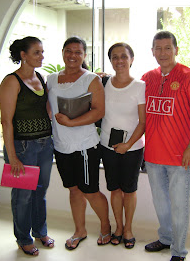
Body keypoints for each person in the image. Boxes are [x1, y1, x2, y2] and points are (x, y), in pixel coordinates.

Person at [142, 31, 190, 261]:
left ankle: (179, 252)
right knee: (161, 205)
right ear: (152, 52)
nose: (163, 53)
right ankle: (166, 238)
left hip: (180, 157)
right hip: (152, 156)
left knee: (180, 207)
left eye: (167, 48)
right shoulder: (147, 78)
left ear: (176, 50)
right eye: (158, 48)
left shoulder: (189, 77)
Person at [47, 36, 111, 250]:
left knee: (90, 190)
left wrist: (71, 122)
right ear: (63, 52)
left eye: (78, 52)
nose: (72, 56)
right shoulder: (52, 78)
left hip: (84, 146)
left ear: (84, 56)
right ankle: (80, 230)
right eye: (69, 51)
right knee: (74, 190)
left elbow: (99, 111)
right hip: (60, 145)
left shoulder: (90, 78)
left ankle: (105, 227)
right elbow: (50, 104)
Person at [0, 36, 54, 256]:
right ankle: (23, 238)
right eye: (37, 52)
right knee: (23, 195)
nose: (42, 56)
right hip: (22, 147)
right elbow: (6, 121)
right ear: (23, 55)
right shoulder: (11, 81)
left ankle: (40, 231)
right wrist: (12, 156)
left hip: (44, 144)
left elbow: (46, 110)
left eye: (42, 52)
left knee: (40, 192)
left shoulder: (40, 77)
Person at [99, 42, 145, 249]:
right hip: (107, 146)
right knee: (114, 189)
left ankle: (128, 229)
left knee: (129, 190)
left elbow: (143, 122)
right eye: (115, 57)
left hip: (133, 148)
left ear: (131, 59)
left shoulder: (140, 86)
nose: (120, 60)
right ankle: (118, 227)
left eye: (124, 56)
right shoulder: (103, 83)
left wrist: (128, 144)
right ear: (111, 61)